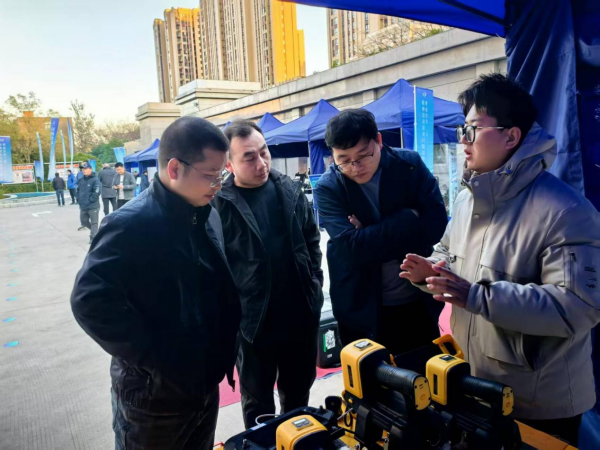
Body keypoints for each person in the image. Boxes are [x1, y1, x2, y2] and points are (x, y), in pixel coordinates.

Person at [400, 74, 600, 445]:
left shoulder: (566, 211)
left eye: (473, 129)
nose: (462, 140)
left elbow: (577, 307)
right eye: (462, 129)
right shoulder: (467, 198)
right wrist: (430, 270)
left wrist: (476, 296)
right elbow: (448, 252)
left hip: (539, 403)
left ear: (511, 137)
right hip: (474, 384)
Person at [71, 116, 240, 450]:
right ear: (175, 168)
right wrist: (158, 360)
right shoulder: (130, 225)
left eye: (222, 174)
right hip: (154, 400)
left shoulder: (206, 214)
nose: (218, 185)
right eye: (211, 175)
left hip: (203, 386)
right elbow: (89, 302)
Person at [213, 121, 324, 429]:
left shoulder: (289, 189)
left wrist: (315, 285)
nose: (261, 163)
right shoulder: (219, 204)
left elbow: (312, 240)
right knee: (258, 404)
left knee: (298, 398)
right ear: (229, 163)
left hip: (299, 315)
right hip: (253, 324)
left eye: (264, 152)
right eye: (249, 157)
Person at [314, 109, 447, 356]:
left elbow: (436, 226)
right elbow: (353, 249)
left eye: (363, 155)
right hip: (360, 305)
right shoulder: (328, 187)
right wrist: (409, 217)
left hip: (416, 298)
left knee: (423, 370)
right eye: (344, 160)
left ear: (379, 141)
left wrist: (368, 233)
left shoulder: (409, 166)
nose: (355, 167)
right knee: (371, 376)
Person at [76, 163, 101, 244]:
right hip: (83, 206)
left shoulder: (95, 179)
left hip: (93, 205)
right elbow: (78, 190)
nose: (84, 170)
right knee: (84, 221)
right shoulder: (81, 180)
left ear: (90, 169)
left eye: (86, 168)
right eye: (83, 169)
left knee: (94, 222)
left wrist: (91, 200)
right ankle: (96, 231)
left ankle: (93, 237)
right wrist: (78, 199)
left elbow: (97, 191)